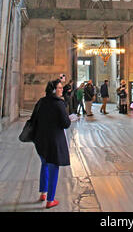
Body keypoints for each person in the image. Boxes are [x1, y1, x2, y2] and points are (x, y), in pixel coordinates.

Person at [30, 78, 71, 209]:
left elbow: (34, 119)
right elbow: (66, 123)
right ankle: (50, 200)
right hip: (54, 141)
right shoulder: (59, 104)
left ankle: (43, 192)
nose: (62, 90)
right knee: (54, 168)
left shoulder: (41, 102)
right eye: (59, 88)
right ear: (53, 90)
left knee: (44, 164)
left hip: (41, 140)